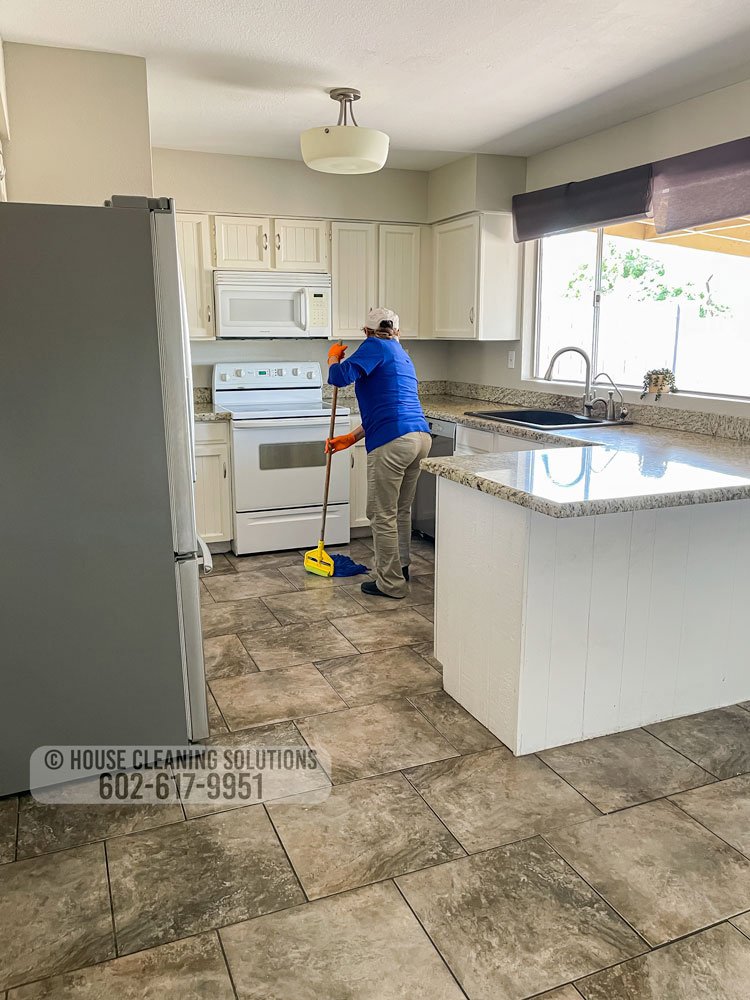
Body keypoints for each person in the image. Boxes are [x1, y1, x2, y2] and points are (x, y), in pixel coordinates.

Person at [326, 307, 431, 599]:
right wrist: (351, 437)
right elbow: (388, 407)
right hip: (419, 438)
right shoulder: (402, 354)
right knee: (400, 510)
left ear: (366, 331)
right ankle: (402, 568)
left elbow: (339, 376)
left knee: (381, 514)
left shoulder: (374, 346)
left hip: (394, 441)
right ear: (398, 330)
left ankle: (390, 583)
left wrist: (333, 357)